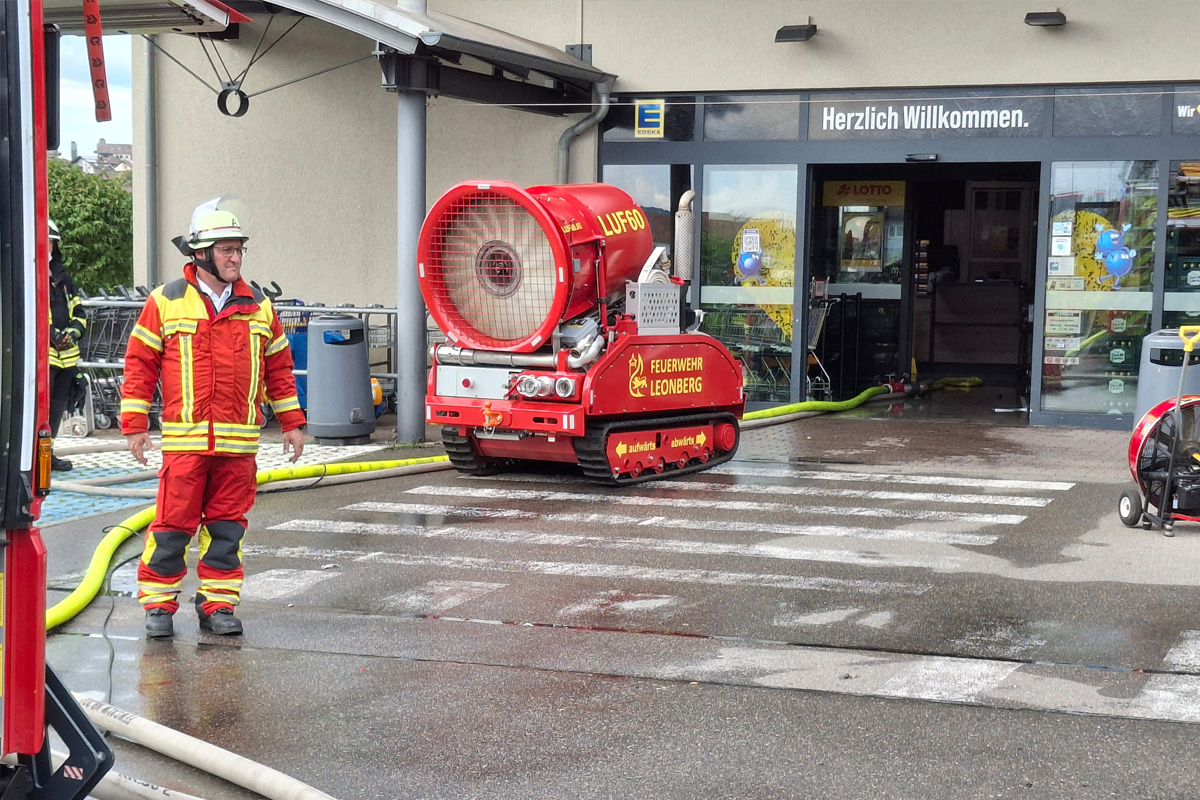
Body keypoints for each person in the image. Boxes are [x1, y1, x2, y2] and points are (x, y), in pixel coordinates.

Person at [121, 199, 305, 639]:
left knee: (227, 530)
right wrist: (134, 425)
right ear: (200, 253)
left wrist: (293, 422)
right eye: (226, 249)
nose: (235, 257)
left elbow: (278, 368)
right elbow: (140, 364)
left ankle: (218, 603)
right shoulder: (165, 302)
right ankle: (159, 607)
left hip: (238, 448)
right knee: (171, 528)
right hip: (186, 445)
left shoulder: (259, 306)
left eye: (239, 249)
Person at [47, 220, 86, 471]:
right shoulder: (30, 275)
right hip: (45, 356)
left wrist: (72, 332)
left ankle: (46, 455)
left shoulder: (62, 278)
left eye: (51, 242)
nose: (47, 246)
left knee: (56, 408)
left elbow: (79, 311)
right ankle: (30, 458)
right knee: (40, 409)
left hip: (67, 357)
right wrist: (52, 334)